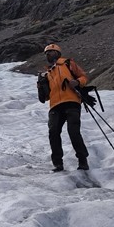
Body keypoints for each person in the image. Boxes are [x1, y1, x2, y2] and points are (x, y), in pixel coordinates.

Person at [39, 43, 90, 171]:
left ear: (57, 53)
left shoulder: (68, 63)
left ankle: (82, 160)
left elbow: (83, 77)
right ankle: (58, 163)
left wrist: (77, 82)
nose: (48, 54)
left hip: (71, 101)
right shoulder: (47, 73)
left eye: (50, 52)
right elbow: (45, 97)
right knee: (53, 132)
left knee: (73, 131)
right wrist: (40, 85)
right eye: (46, 53)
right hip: (55, 105)